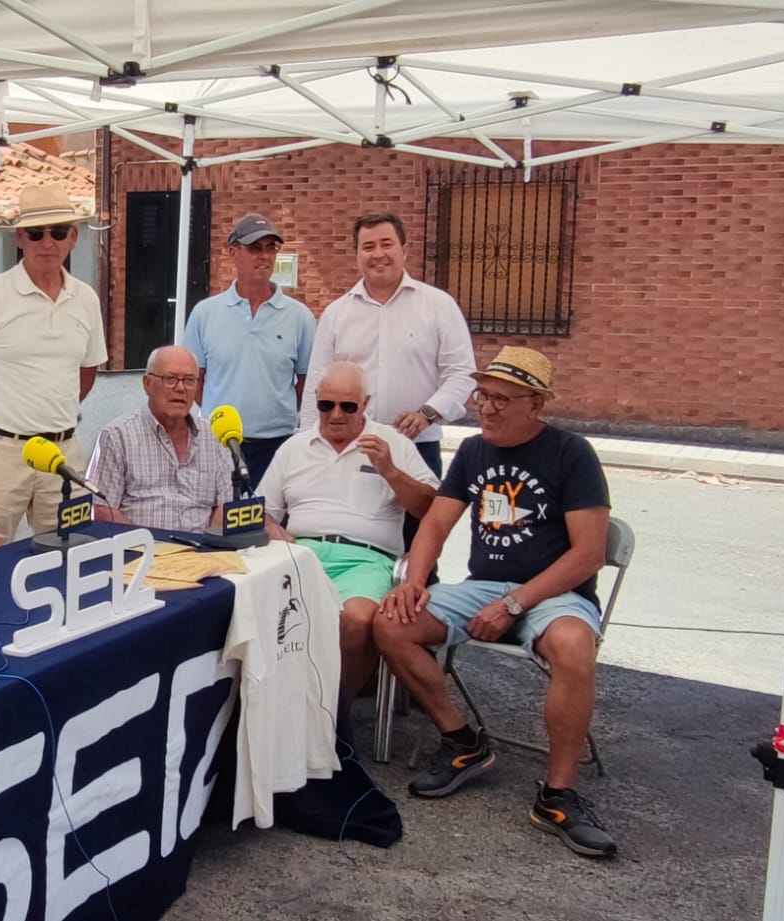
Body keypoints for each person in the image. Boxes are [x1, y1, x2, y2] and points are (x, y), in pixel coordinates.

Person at [373, 346, 617, 858]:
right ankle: (463, 742)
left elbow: (589, 553)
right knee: (391, 622)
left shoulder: (572, 453)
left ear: (538, 405)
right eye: (483, 395)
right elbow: (436, 522)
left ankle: (557, 796)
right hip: (485, 586)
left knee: (574, 648)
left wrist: (515, 604)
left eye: (502, 399)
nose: (486, 408)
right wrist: (414, 580)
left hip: (554, 592)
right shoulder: (474, 451)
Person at [255, 361, 437, 710]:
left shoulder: (392, 443)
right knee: (251, 605)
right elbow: (263, 513)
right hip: (300, 553)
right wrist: (278, 534)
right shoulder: (296, 446)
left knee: (357, 618)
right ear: (317, 402)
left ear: (365, 404)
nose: (336, 415)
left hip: (366, 559)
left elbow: (428, 508)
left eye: (347, 406)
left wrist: (390, 471)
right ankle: (273, 707)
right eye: (326, 405)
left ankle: (332, 714)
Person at [0, 182, 107, 541]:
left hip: (62, 452)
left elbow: (88, 368)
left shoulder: (86, 299)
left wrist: (51, 412)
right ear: (20, 238)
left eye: (58, 232)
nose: (47, 243)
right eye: (36, 233)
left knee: (73, 551)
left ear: (74, 238)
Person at [300, 213, 475, 476]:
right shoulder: (336, 313)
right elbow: (317, 381)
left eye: (386, 244)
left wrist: (427, 414)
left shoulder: (439, 306)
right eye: (368, 247)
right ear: (356, 255)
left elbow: (462, 373)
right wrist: (308, 445)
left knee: (418, 518)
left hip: (417, 446)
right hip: (351, 447)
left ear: (404, 250)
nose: (378, 254)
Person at [181, 212, 315, 480]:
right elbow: (195, 380)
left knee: (270, 520)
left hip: (277, 445)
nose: (264, 256)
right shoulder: (205, 313)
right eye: (255, 248)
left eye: (271, 248)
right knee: (217, 519)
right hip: (217, 443)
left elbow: (306, 383)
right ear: (232, 252)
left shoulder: (300, 316)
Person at [85, 346, 234, 532]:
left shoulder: (214, 438)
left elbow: (226, 506)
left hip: (202, 552)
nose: (180, 388)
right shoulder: (118, 436)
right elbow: (101, 509)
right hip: (141, 551)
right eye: (170, 379)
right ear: (147, 384)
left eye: (189, 381)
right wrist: (146, 545)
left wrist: (209, 547)